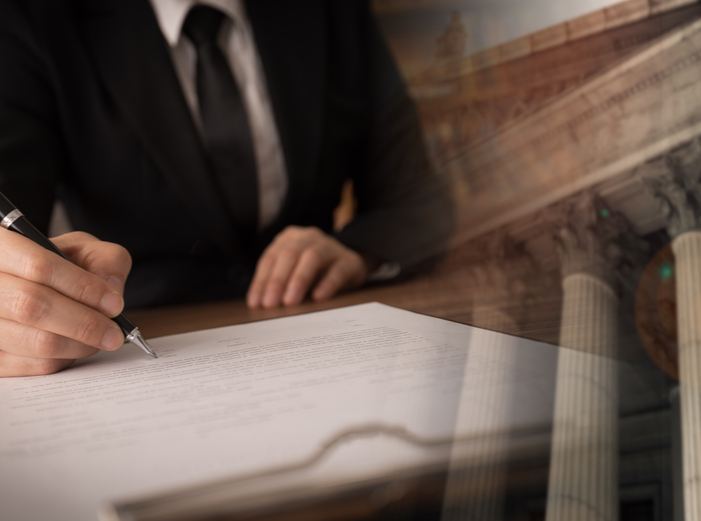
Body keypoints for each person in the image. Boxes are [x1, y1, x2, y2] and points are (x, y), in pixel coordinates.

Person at [0, 0, 454, 377]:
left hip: (322, 325)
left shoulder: (332, 10)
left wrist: (359, 250)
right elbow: (11, 218)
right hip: (138, 334)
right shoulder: (33, 19)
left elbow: (422, 201)